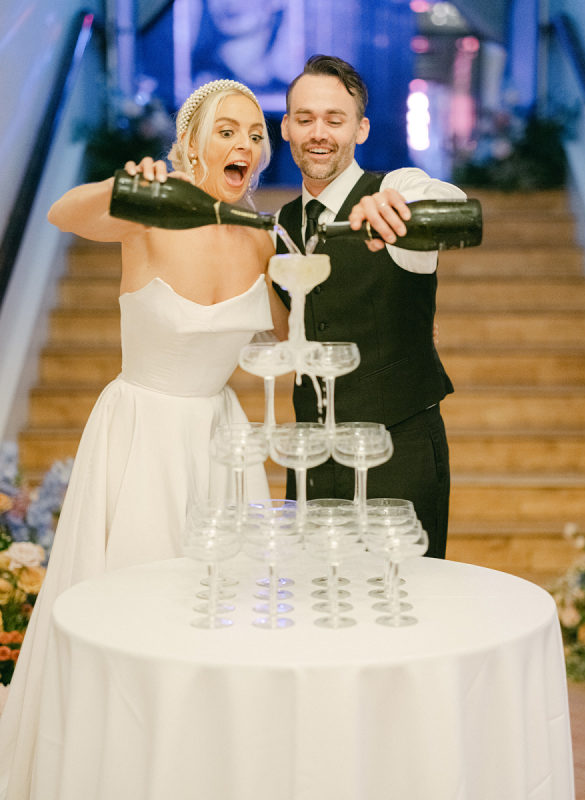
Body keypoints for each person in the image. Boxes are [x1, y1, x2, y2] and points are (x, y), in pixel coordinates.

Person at [0, 78, 287, 799]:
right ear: (191, 144)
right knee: (135, 609)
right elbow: (64, 213)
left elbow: (288, 341)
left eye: (256, 134)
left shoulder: (261, 236)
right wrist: (124, 184)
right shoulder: (149, 210)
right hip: (143, 435)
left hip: (222, 443)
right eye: (228, 130)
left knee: (223, 615)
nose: (246, 144)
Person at [273, 55, 467, 559]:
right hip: (311, 460)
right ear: (286, 127)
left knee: (403, 597)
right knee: (314, 595)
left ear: (360, 129)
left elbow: (450, 206)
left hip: (398, 455)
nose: (319, 133)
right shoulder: (280, 225)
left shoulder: (395, 191)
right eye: (305, 119)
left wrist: (403, 209)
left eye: (334, 120)